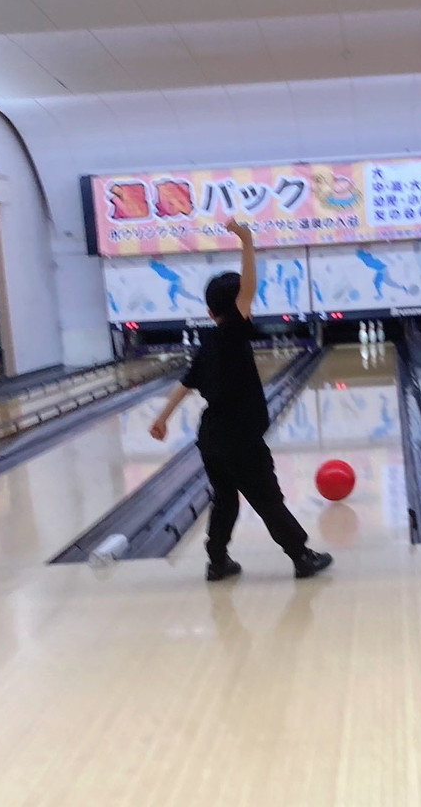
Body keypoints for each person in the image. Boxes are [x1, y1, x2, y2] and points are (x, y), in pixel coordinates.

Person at [150, 219, 333, 582]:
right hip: (240, 439)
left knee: (225, 499)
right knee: (267, 499)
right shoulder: (234, 332)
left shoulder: (207, 345)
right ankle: (301, 556)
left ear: (209, 313)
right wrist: (247, 241)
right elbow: (248, 288)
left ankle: (218, 561)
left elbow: (185, 385)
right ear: (237, 308)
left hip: (211, 439)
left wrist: (162, 418)